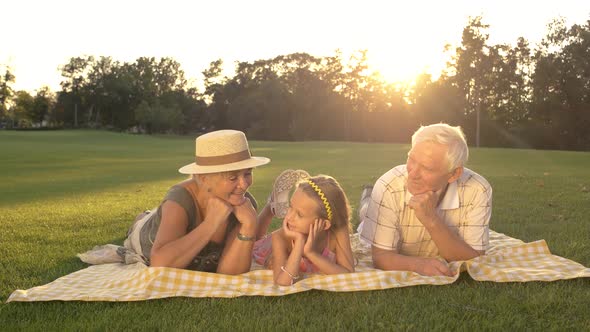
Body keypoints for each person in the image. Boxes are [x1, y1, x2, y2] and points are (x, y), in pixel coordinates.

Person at [121, 129, 270, 274]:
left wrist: (249, 226)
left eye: (248, 173)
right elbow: (160, 264)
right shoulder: (180, 200)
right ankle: (142, 218)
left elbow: (228, 272)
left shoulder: (245, 205)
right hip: (144, 233)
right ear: (204, 178)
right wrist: (210, 223)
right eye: (232, 177)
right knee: (144, 221)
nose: (244, 184)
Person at [357, 123, 492, 277]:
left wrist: (431, 218)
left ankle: (368, 197)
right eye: (411, 159)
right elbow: (381, 257)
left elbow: (474, 260)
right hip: (378, 207)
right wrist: (418, 265)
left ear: (454, 174)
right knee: (365, 212)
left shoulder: (478, 189)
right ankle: (367, 197)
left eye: (427, 168)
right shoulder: (388, 185)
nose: (413, 174)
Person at [253, 171, 355, 286]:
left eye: (300, 214)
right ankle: (270, 207)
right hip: (265, 247)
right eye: (290, 206)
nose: (289, 217)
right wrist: (299, 242)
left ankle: (273, 205)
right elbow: (282, 282)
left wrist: (310, 253)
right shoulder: (280, 237)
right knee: (254, 241)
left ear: (325, 224)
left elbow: (348, 274)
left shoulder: (338, 229)